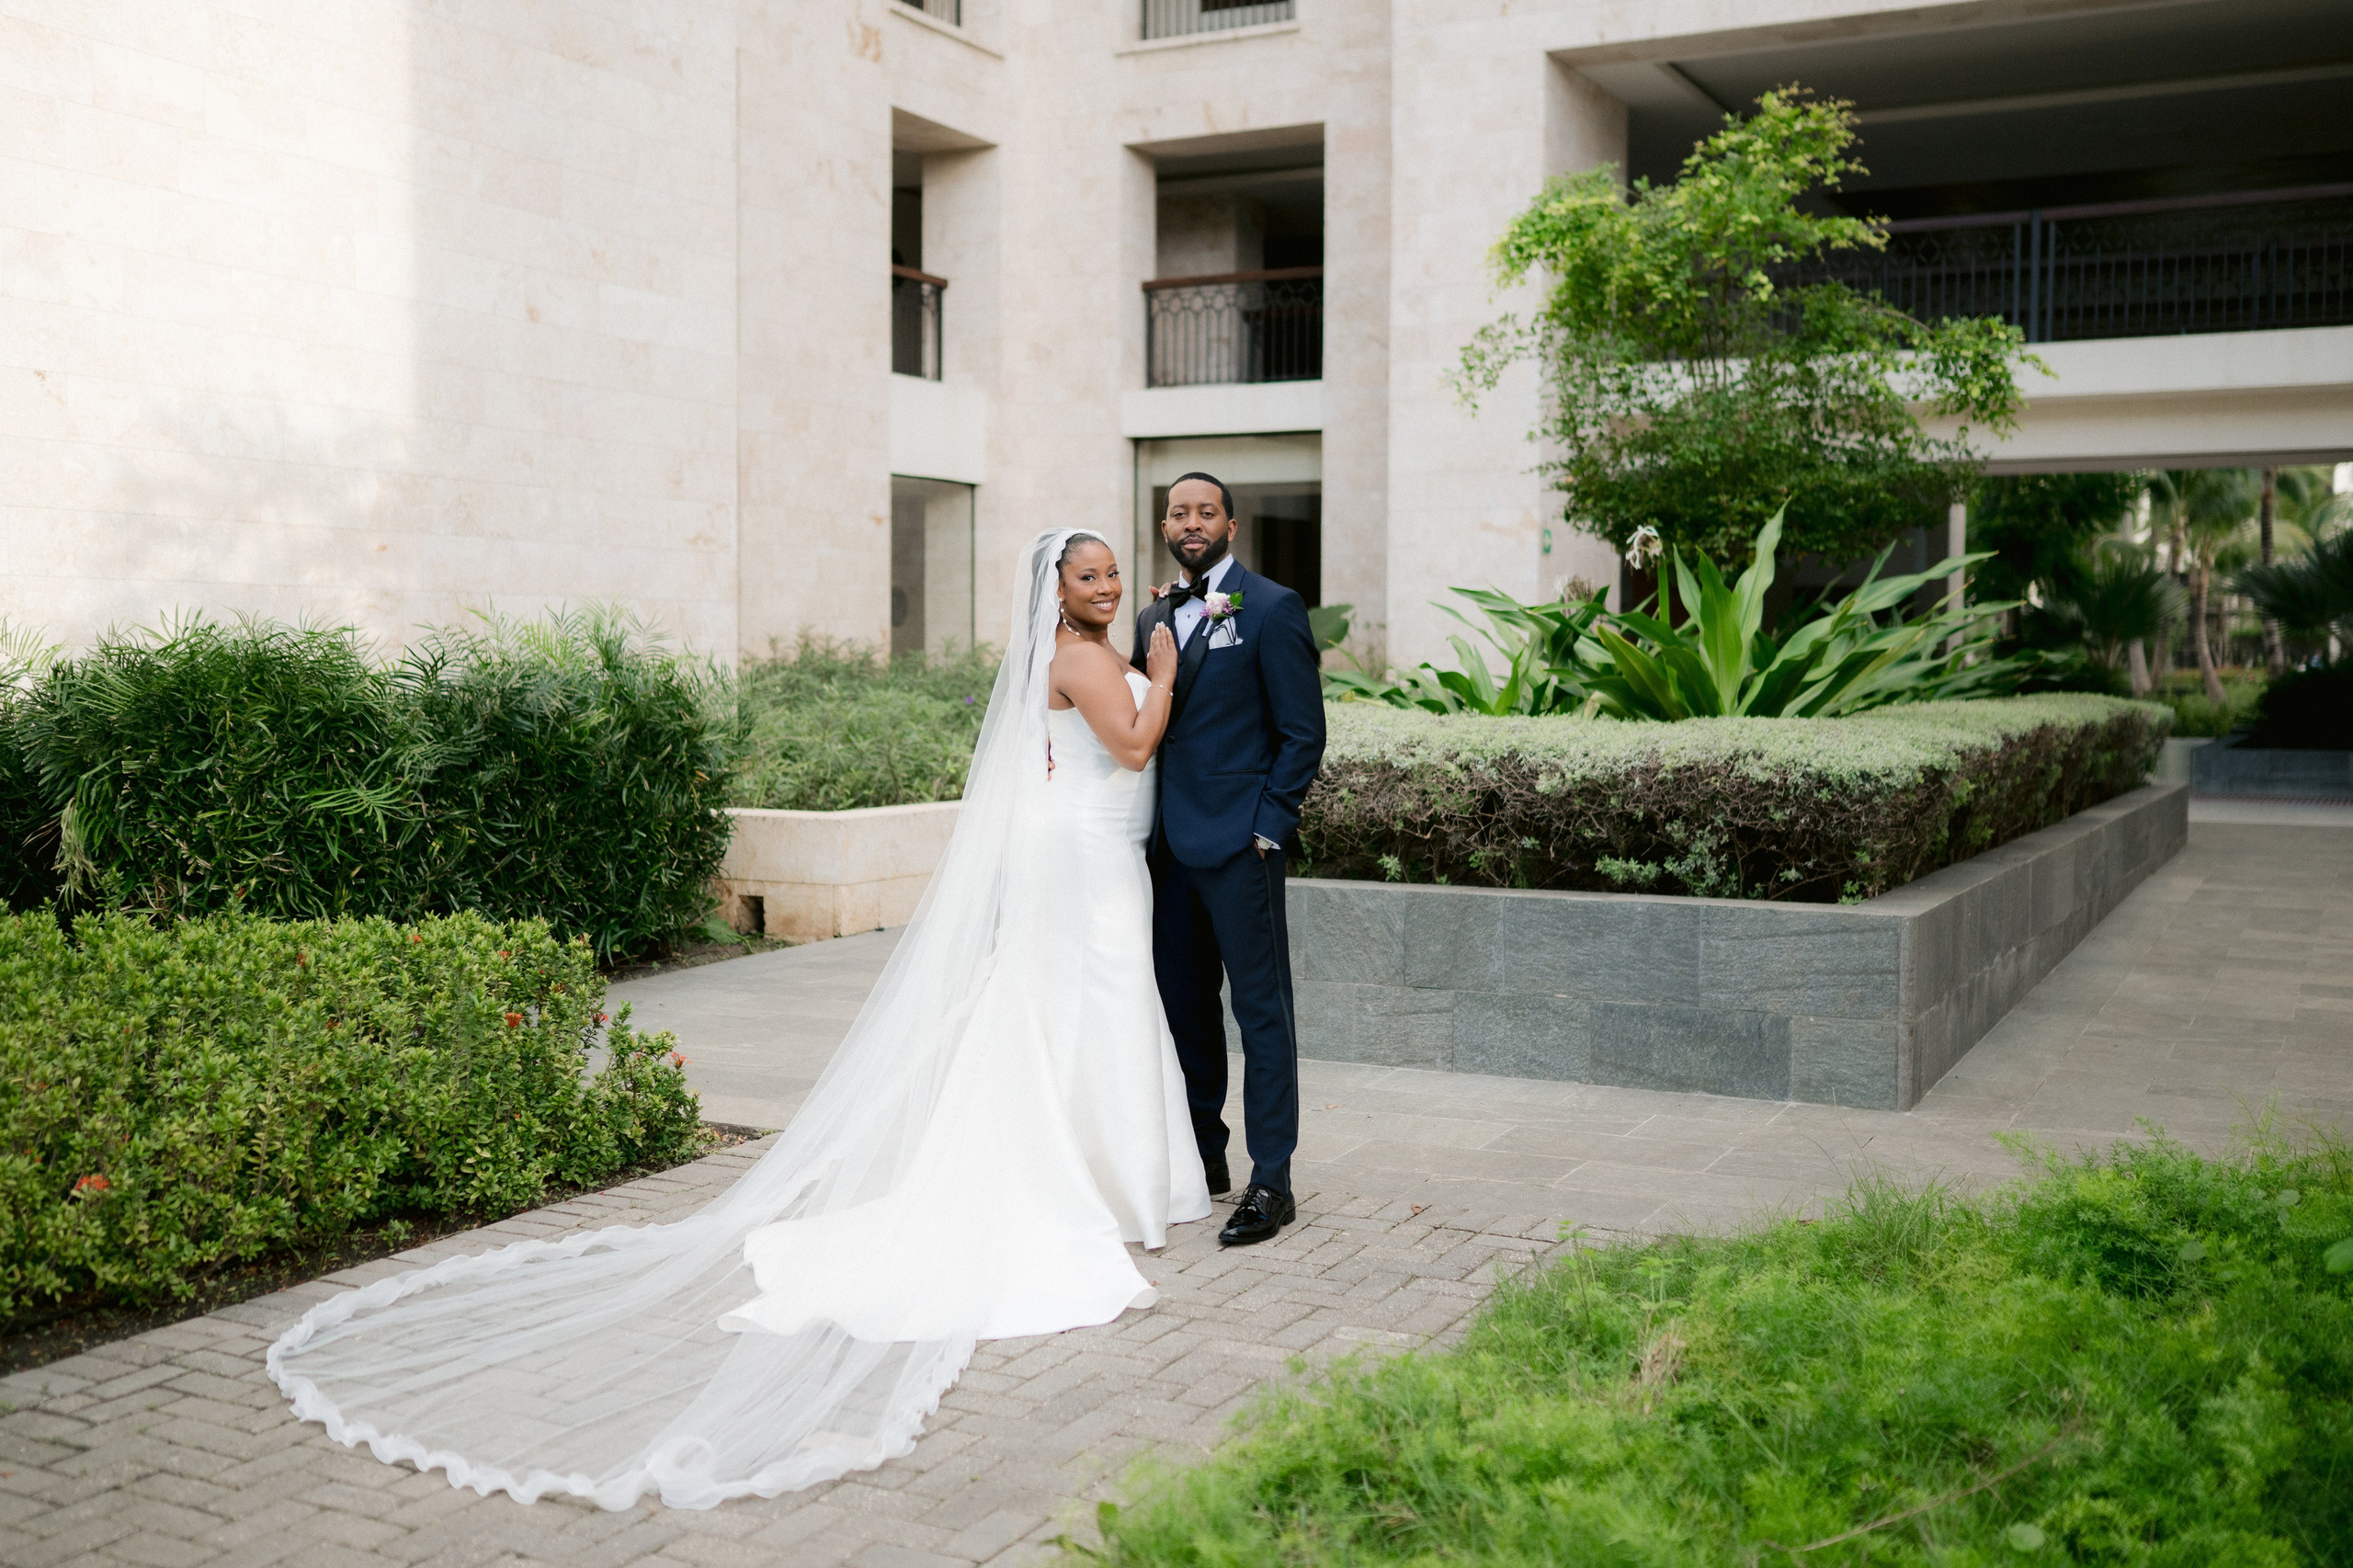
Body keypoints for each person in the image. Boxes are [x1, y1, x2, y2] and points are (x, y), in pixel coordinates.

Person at [268, 529, 1209, 1510]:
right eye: (1086, 576)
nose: (1103, 586)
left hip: (1083, 846)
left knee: (1076, 1003)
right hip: (1084, 857)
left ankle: (1100, 1170)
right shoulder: (1081, 657)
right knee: (1089, 998)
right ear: (1054, 593)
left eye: (1109, 574)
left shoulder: (1072, 652)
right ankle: (1094, 1180)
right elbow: (1135, 743)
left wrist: (1146, 643)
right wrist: (1166, 668)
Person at [1130, 473, 1326, 1247]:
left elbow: (1301, 732)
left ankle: (1271, 1180)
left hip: (1242, 847)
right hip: (1167, 852)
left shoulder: (1272, 607)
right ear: (1167, 526)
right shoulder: (1153, 615)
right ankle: (1204, 1160)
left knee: (1261, 1012)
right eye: (1179, 512)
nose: (1191, 522)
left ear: (1231, 525)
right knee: (1184, 1011)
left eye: (1205, 511)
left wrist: (1268, 828)